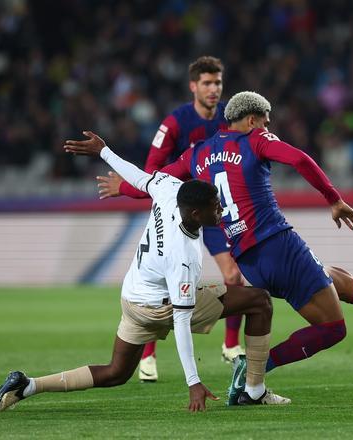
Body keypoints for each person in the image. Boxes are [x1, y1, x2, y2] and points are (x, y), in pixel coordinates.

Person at [106, 91, 353, 404]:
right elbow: (299, 159)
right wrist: (333, 198)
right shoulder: (255, 140)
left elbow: (157, 181)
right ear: (251, 119)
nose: (267, 126)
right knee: (333, 328)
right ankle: (255, 370)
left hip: (249, 260)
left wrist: (122, 187)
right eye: (264, 120)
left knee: (345, 284)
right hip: (278, 245)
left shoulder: (198, 152)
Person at [0, 132, 289, 413]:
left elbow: (140, 178)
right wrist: (193, 382)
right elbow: (182, 322)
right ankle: (253, 390)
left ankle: (27, 384)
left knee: (116, 372)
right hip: (161, 307)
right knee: (259, 301)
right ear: (196, 214)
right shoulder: (182, 257)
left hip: (133, 298)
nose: (220, 211)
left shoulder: (170, 189)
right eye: (215, 207)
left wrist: (104, 151)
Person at [101, 56, 245, 381]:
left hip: (213, 211)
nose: (213, 89)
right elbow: (152, 174)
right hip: (179, 214)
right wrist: (125, 187)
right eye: (207, 83)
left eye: (218, 83)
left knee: (233, 275)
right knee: (168, 288)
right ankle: (148, 355)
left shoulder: (228, 118)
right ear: (193, 86)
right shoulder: (175, 123)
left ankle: (231, 345)